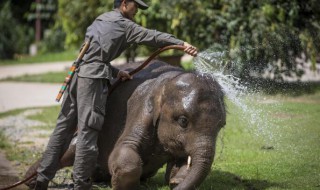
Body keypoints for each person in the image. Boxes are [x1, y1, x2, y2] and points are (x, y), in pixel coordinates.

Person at [34, 0, 198, 189]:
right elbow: (152, 37)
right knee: (88, 132)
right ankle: (81, 184)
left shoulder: (101, 19)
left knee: (62, 130)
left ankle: (41, 179)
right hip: (91, 81)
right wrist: (181, 44)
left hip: (77, 76)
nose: (137, 11)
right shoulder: (124, 25)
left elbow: (91, 56)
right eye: (135, 6)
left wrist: (113, 72)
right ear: (124, 4)